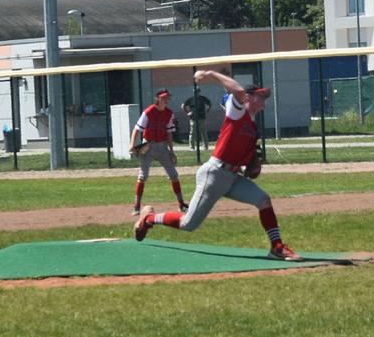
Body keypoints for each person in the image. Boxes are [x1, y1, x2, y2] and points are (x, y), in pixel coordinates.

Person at [133, 69, 302, 261]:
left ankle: (277, 247)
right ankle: (149, 219)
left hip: (231, 177)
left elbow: (245, 164)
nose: (264, 100)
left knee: (263, 200)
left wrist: (250, 167)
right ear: (248, 97)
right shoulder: (237, 111)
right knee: (187, 224)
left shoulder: (253, 127)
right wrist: (211, 74)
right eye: (260, 95)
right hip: (214, 175)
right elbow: (237, 91)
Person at [129, 88, 189, 216]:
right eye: (163, 98)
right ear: (158, 99)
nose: (166, 100)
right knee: (143, 176)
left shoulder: (169, 113)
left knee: (173, 175)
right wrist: (132, 145)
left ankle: (181, 204)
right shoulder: (149, 112)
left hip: (162, 147)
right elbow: (137, 129)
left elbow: (169, 133)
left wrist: (172, 151)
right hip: (149, 145)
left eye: (167, 98)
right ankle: (136, 206)